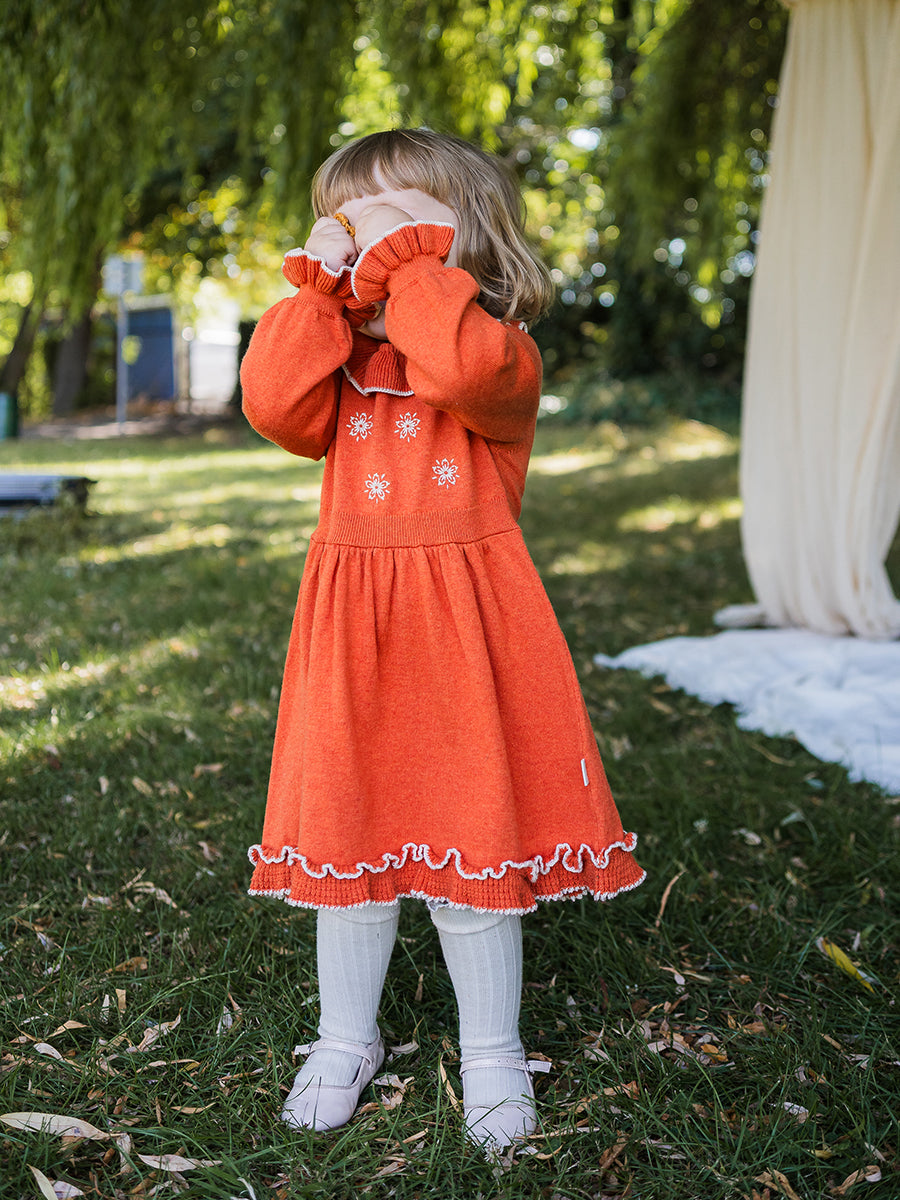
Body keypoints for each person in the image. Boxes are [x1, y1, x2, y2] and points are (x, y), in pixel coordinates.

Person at [240, 128, 645, 1152]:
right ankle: (345, 1037)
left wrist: (413, 268)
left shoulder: (500, 353)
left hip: (467, 630)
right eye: (347, 216)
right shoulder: (339, 363)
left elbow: (463, 368)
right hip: (354, 629)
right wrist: (319, 294)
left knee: (475, 835)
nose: (367, 233)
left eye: (398, 213)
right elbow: (273, 406)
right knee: (349, 834)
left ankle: (493, 1049)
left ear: (464, 234)